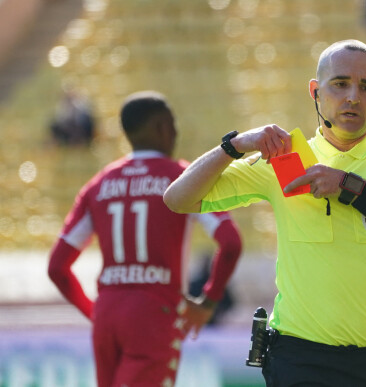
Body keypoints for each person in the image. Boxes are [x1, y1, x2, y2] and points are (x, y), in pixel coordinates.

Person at [164, 40, 366, 387]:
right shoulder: (285, 159)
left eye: (365, 87)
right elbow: (177, 199)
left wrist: (351, 187)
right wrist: (234, 146)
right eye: (340, 83)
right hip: (301, 362)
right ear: (315, 92)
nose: (352, 97)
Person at [47, 90, 243, 387]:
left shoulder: (99, 184)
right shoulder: (182, 178)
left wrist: (94, 311)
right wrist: (209, 301)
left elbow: (57, 268)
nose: (176, 132)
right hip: (154, 312)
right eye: (173, 124)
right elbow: (230, 243)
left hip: (107, 313)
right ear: (163, 127)